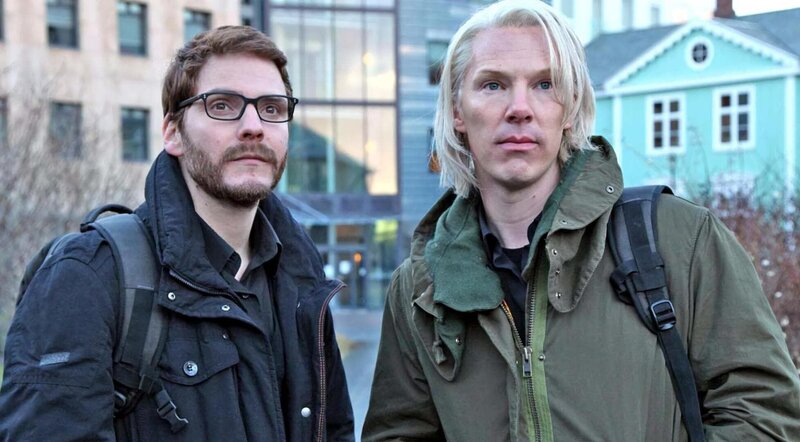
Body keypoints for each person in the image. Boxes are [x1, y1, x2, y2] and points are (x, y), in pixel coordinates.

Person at [361, 1, 800, 440]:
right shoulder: (420, 288)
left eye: (545, 84)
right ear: (458, 111)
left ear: (569, 108)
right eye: (493, 85)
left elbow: (765, 416)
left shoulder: (678, 239)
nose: (519, 108)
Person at [0, 26, 354, 441]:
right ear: (172, 133)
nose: (254, 126)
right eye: (222, 105)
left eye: (272, 108)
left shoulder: (301, 280)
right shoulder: (87, 275)